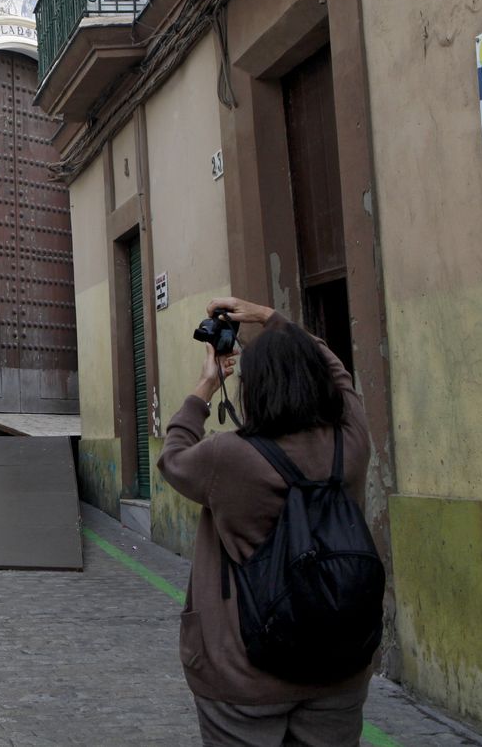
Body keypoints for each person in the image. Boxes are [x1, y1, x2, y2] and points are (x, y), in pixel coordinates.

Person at [157, 297, 375, 747]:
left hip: (241, 673)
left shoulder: (229, 457)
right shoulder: (351, 444)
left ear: (255, 389)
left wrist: (205, 386)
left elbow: (173, 456)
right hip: (339, 669)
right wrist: (269, 319)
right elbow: (340, 375)